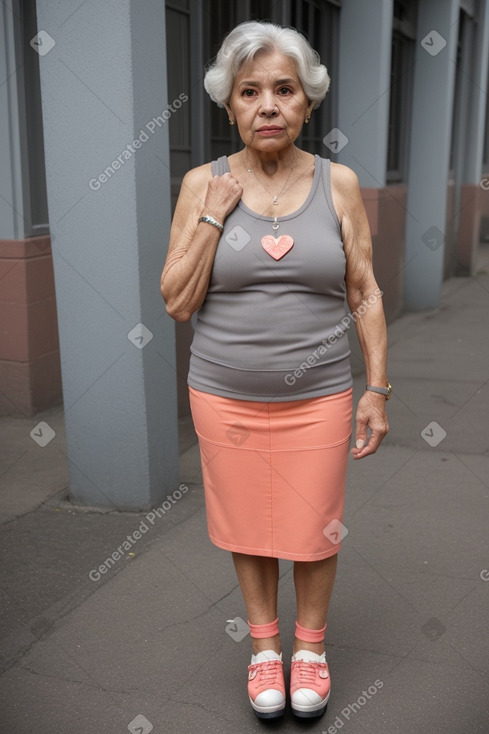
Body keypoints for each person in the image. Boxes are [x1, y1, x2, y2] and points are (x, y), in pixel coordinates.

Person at [160, 20, 389, 721]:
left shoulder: (338, 183)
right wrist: (212, 219)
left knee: (314, 522)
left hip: (319, 395)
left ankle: (310, 650)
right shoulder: (204, 183)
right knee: (246, 524)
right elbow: (175, 300)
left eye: (283, 90)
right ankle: (264, 646)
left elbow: (364, 291)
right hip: (222, 395)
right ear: (228, 105)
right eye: (249, 91)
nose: (267, 105)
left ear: (307, 103)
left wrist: (375, 385)